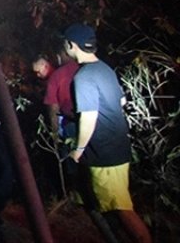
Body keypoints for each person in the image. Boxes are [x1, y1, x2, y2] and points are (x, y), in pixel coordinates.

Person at [65, 23, 151, 243]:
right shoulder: (105, 69)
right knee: (118, 206)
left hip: (104, 154)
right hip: (119, 147)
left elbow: (89, 117)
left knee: (122, 209)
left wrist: (78, 150)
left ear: (71, 45)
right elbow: (121, 101)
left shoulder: (83, 77)